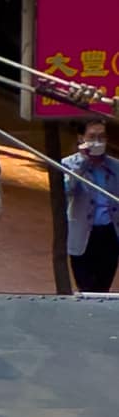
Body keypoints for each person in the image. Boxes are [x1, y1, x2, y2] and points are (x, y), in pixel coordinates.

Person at [63, 117, 119, 294]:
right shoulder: (68, 164)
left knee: (103, 286)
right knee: (85, 288)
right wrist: (84, 162)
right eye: (92, 137)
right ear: (81, 138)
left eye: (101, 137)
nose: (97, 142)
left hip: (109, 233)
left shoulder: (115, 166)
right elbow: (67, 189)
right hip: (83, 234)